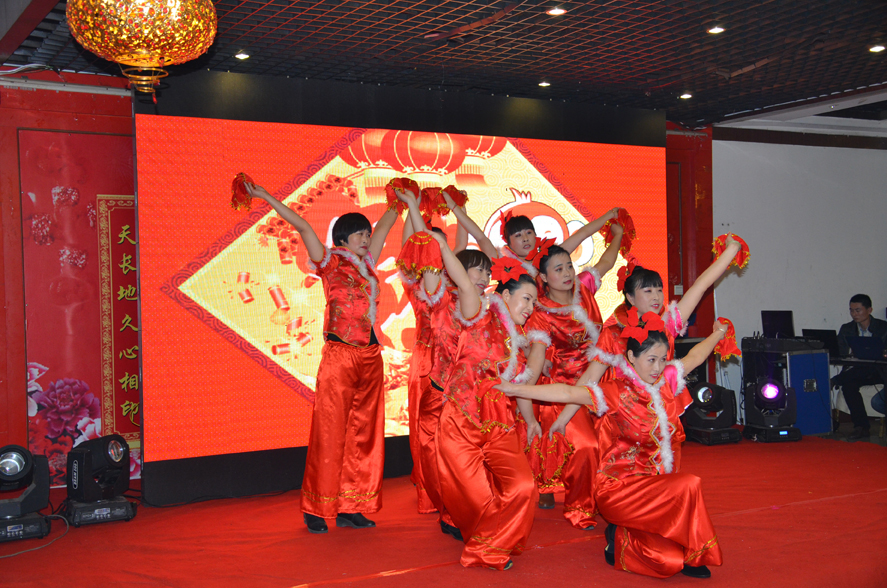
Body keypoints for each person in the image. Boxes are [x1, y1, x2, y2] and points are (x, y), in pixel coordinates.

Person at [497, 314, 729, 579]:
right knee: (688, 484)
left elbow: (695, 357)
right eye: (651, 360)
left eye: (663, 359)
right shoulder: (616, 392)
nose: (658, 367)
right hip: (619, 489)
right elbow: (568, 392)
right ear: (631, 357)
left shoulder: (667, 381)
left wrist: (719, 333)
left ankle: (630, 537)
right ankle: (676, 548)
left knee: (668, 562)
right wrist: (514, 390)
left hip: (653, 486)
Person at [246, 182, 407, 534]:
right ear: (343, 238)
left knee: (364, 434)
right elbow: (303, 226)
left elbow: (385, 226)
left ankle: (352, 505)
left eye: (367, 234)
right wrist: (265, 196)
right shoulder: (330, 262)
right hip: (340, 356)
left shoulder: (368, 263)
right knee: (331, 432)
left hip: (370, 356)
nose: (367, 238)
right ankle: (317, 508)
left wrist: (399, 201)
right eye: (360, 234)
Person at [431, 232, 546, 571]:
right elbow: (466, 285)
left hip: (499, 426)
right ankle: (486, 547)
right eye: (526, 299)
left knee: (524, 487)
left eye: (534, 303)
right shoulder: (480, 313)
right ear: (505, 295)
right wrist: (441, 246)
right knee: (480, 503)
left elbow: (520, 388)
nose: (530, 308)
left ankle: (488, 547)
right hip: (460, 424)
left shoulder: (519, 342)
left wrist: (532, 421)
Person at [397, 187, 496, 539]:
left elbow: (465, 248)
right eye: (476, 272)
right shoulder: (435, 293)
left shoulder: (478, 301)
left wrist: (456, 209)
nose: (483, 278)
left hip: (469, 389)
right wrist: (413, 207)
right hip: (434, 376)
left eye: (486, 273)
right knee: (434, 447)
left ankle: (465, 508)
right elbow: (419, 249)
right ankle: (444, 506)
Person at [519, 222, 623, 529]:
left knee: (613, 442)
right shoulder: (540, 313)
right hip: (564, 389)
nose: (567, 273)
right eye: (558, 269)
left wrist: (617, 234)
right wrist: (522, 388)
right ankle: (579, 507)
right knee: (586, 446)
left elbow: (606, 261)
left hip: (600, 382)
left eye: (569, 266)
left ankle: (610, 500)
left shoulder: (584, 289)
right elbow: (536, 356)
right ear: (543, 278)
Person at [832, 294, 887, 439]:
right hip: (857, 371)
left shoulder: (883, 327)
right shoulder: (847, 329)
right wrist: (848, 354)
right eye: (851, 310)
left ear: (869, 310)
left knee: (866, 367)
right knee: (849, 386)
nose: (854, 314)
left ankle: (836, 380)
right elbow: (840, 352)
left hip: (880, 371)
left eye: (858, 310)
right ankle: (861, 427)